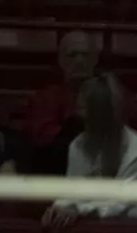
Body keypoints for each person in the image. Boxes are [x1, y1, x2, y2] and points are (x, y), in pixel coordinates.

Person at [44, 75, 137, 229]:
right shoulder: (77, 145)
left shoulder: (136, 147)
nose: (78, 114)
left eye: (83, 108)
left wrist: (78, 210)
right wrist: (58, 208)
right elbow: (73, 191)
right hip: (101, 220)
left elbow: (120, 203)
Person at [22, 31, 98, 175]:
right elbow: (43, 141)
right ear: (60, 60)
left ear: (95, 59)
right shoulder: (43, 98)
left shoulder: (115, 95)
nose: (79, 61)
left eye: (85, 55)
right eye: (72, 55)